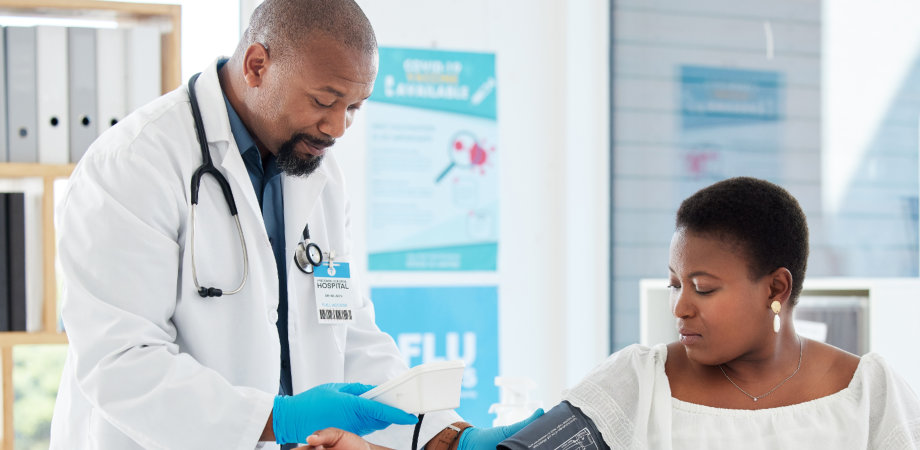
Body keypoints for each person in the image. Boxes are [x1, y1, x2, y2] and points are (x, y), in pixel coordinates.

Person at [48, 0, 538, 448]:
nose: (338, 128)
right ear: (257, 65)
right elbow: (119, 365)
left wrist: (446, 435)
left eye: (354, 108)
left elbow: (349, 333)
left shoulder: (319, 175)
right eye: (324, 101)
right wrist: (278, 418)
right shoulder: (135, 164)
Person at [557, 177, 920, 448]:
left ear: (776, 288)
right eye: (674, 284)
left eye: (703, 288)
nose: (680, 308)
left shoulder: (870, 393)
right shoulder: (638, 382)